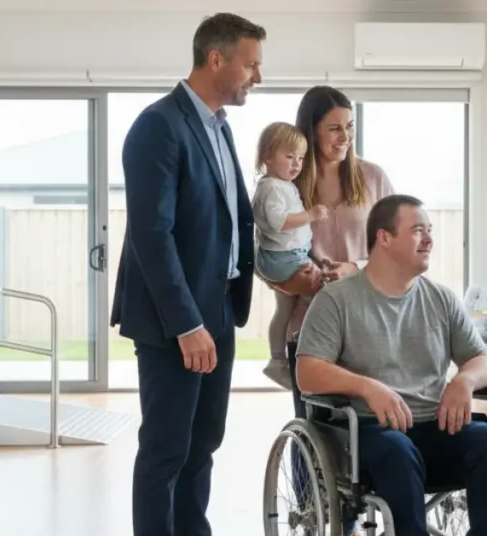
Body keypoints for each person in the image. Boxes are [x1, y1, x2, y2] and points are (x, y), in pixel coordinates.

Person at [109, 13, 264, 536]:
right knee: (166, 449)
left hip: (218, 307)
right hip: (175, 318)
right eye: (251, 64)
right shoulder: (159, 126)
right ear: (215, 59)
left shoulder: (219, 128)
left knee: (203, 445)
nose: (256, 76)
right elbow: (153, 237)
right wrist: (186, 324)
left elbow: (224, 220)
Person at [294, 195, 487, 535]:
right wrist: (367, 387)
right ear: (383, 237)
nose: (429, 239)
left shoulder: (441, 299)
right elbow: (307, 371)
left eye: (430, 230)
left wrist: (464, 382)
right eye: (417, 230)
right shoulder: (337, 300)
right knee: (397, 450)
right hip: (367, 431)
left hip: (434, 424)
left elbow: (481, 359)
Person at [261, 85, 395, 383]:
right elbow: (261, 248)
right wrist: (287, 282)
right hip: (308, 328)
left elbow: (397, 250)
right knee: (315, 422)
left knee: (369, 420)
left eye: (349, 126)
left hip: (368, 323)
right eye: (334, 128)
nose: (345, 136)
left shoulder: (374, 178)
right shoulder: (284, 185)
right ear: (311, 131)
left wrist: (355, 269)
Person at [250, 121, 329, 389]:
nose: (296, 164)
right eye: (289, 156)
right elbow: (278, 221)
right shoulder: (272, 187)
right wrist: (311, 215)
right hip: (285, 258)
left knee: (283, 310)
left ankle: (276, 360)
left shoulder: (280, 184)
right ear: (267, 157)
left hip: (284, 255)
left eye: (301, 158)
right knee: (322, 296)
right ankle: (311, 356)